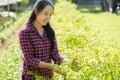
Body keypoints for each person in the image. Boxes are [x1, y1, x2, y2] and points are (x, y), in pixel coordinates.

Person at [19, 0, 67, 79]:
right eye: (46, 14)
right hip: (31, 77)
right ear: (36, 11)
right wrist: (51, 66)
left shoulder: (50, 31)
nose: (48, 17)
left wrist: (67, 62)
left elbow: (54, 53)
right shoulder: (25, 32)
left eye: (51, 14)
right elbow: (29, 59)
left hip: (47, 77)